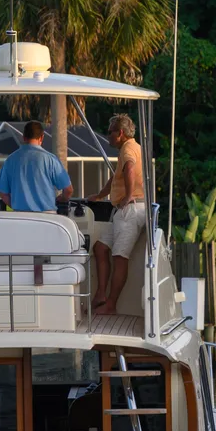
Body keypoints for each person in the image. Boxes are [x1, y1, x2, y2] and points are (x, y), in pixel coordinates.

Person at [87, 113, 146, 314]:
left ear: (120, 133)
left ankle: (111, 304)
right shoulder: (132, 148)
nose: (107, 136)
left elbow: (129, 168)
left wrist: (129, 195)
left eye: (110, 132)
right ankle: (101, 294)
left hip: (130, 210)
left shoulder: (129, 149)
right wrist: (99, 195)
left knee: (120, 257)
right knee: (101, 247)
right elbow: (116, 178)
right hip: (123, 212)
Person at [0, 121, 73, 212]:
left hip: (20, 217)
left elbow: (2, 192)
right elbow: (68, 190)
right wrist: (63, 199)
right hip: (47, 218)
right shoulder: (50, 159)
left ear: (24, 137)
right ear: (42, 137)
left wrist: (15, 206)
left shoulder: (10, 160)